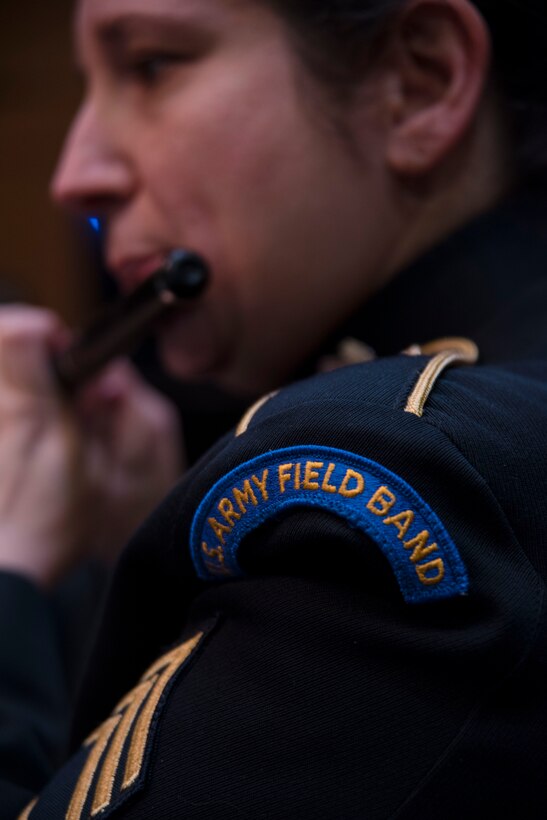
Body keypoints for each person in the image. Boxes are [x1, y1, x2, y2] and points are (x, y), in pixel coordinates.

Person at [0, 0, 546, 817]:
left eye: (151, 64)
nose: (75, 173)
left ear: (416, 82)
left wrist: (7, 569)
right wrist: (148, 564)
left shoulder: (397, 468)